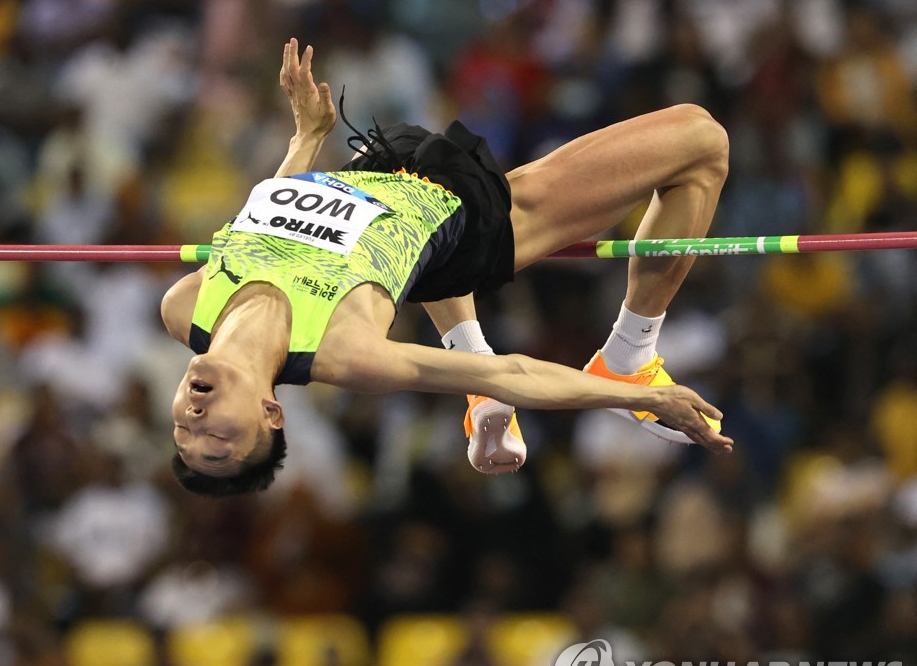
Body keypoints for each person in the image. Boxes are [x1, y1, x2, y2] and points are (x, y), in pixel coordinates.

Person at [162, 39, 733, 497]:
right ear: (271, 412)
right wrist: (644, 399)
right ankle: (628, 356)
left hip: (382, 163)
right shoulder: (342, 351)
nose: (195, 417)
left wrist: (306, 138)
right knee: (701, 139)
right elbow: (512, 376)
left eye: (183, 430)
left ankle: (469, 341)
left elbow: (260, 230)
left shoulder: (185, 306)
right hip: (468, 220)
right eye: (217, 437)